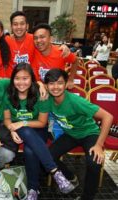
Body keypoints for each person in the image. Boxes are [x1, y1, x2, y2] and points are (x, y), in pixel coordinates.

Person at [3, 63, 75, 199]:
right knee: (24, 130)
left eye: (25, 78)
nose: (21, 82)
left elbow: (42, 122)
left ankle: (33, 189)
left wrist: (21, 122)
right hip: (17, 130)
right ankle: (55, 172)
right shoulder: (8, 95)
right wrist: (12, 128)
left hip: (38, 130)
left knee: (30, 149)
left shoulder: (41, 95)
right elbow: (7, 119)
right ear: (13, 79)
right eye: (17, 78)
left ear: (32, 79)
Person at [44, 69, 113, 200]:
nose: (55, 87)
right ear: (46, 85)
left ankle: (88, 197)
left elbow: (108, 117)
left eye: (59, 83)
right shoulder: (47, 99)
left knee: (94, 162)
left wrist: (99, 144)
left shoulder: (75, 101)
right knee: (48, 156)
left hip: (89, 133)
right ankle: (71, 178)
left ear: (66, 84)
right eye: (51, 83)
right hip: (71, 134)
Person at [31, 23, 78, 89]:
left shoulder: (61, 52)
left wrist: (71, 79)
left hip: (56, 91)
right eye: (35, 38)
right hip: (39, 89)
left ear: (50, 38)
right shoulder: (32, 51)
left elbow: (75, 61)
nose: (38, 40)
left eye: (42, 37)